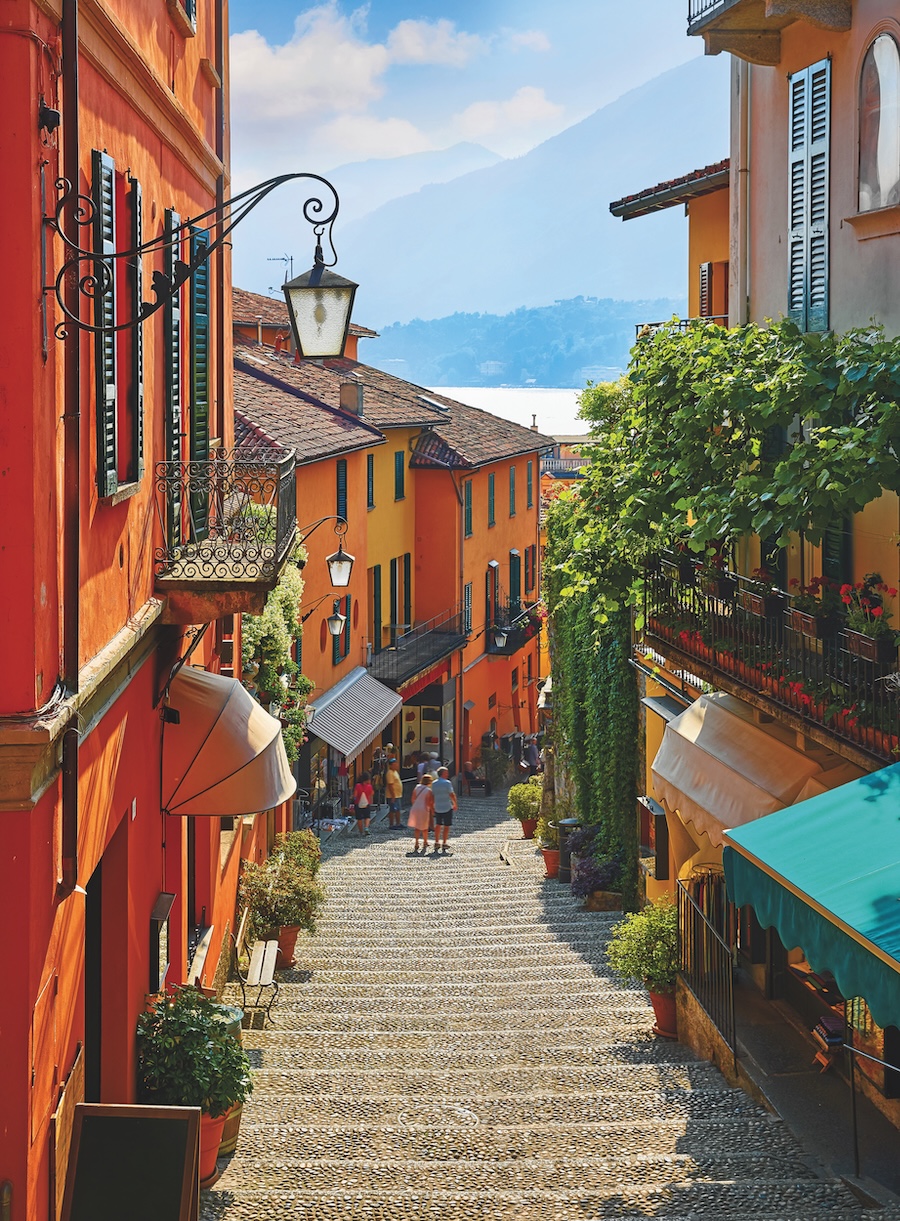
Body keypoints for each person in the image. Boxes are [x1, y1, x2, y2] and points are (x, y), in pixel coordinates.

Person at [431, 766, 458, 854]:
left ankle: (436, 841)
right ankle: (444, 842)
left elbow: (432, 795)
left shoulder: (434, 783)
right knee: (446, 825)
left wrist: (432, 806)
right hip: (446, 806)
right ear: (443, 773)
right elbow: (451, 794)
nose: (448, 774)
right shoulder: (447, 783)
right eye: (446, 772)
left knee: (438, 824)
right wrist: (455, 803)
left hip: (437, 806)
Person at [407, 773, 434, 853]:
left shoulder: (417, 787)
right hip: (424, 809)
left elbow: (412, 798)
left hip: (415, 808)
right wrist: (431, 810)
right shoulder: (428, 790)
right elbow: (429, 802)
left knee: (417, 827)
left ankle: (416, 843)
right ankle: (425, 842)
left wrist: (415, 805)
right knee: (425, 827)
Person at [352, 772, 374, 836]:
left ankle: (361, 831)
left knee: (359, 818)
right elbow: (372, 794)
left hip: (358, 804)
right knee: (367, 817)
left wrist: (353, 798)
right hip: (366, 803)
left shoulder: (358, 786)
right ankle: (366, 828)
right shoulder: (369, 786)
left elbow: (355, 795)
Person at [385, 756, 404, 829]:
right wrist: (393, 796)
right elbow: (390, 785)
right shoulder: (390, 773)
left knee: (398, 809)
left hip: (397, 794)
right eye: (394, 764)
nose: (396, 765)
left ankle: (398, 823)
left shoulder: (395, 772)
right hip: (393, 795)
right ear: (391, 765)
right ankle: (392, 824)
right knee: (393, 810)